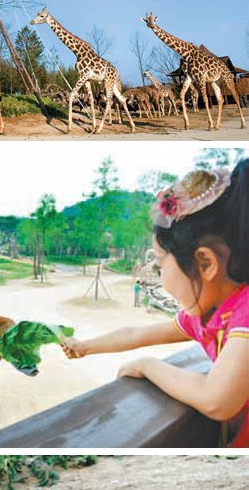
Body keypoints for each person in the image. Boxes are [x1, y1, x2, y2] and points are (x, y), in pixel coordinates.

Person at [61, 161, 249, 447]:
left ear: (205, 263)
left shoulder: (244, 312)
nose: (160, 275)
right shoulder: (209, 315)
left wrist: (149, 366)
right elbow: (135, 334)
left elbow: (217, 400)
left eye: (161, 264)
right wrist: (85, 346)